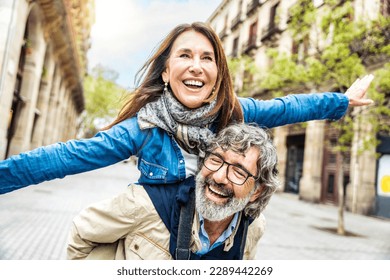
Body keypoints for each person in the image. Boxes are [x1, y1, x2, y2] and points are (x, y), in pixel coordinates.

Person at [0, 22, 374, 194]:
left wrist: (341, 100)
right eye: (184, 55)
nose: (196, 65)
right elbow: (66, 157)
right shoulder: (142, 128)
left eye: (207, 58)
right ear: (166, 72)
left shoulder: (233, 112)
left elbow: (288, 106)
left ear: (217, 73)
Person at [67, 123, 279, 260]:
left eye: (238, 172)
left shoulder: (253, 227)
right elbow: (81, 233)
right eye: (215, 160)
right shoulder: (146, 204)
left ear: (256, 192)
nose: (219, 177)